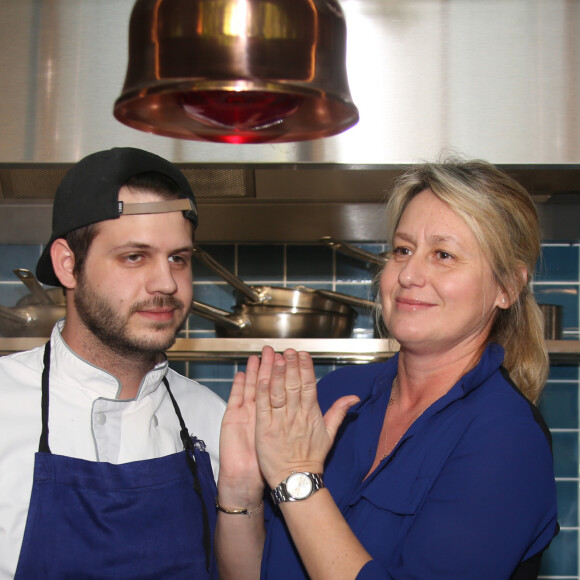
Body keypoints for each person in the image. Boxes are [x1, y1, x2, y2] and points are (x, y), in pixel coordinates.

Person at [215, 158, 559, 579]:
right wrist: (239, 490)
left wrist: (296, 480)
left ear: (507, 287)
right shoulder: (339, 395)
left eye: (444, 254)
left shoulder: (506, 437)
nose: (410, 273)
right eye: (403, 250)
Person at [0, 147, 226, 579]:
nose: (166, 283)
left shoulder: (211, 418)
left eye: (178, 258)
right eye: (134, 256)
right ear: (68, 265)